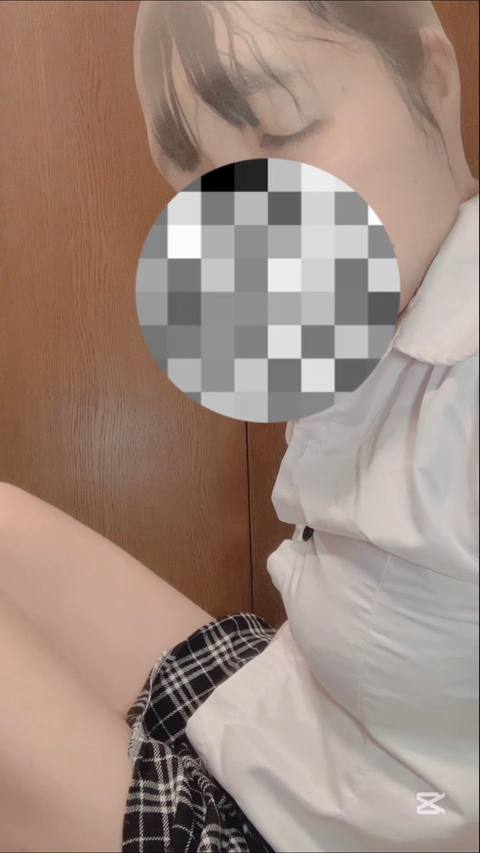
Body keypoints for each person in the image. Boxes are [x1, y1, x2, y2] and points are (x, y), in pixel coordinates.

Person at [0, 1, 477, 851]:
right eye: (198, 179)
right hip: (292, 723)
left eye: (280, 133)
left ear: (434, 78)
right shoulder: (378, 314)